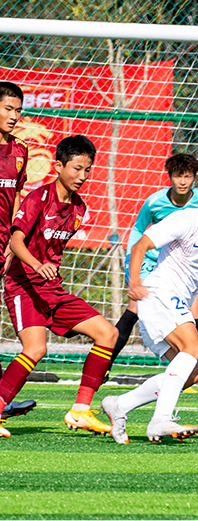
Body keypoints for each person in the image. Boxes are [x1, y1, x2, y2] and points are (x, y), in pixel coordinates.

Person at [101, 170, 198, 444]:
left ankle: (120, 405)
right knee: (193, 348)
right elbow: (140, 246)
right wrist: (135, 282)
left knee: (190, 375)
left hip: (176, 304)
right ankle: (160, 420)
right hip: (158, 293)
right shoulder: (188, 219)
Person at [0, 135, 118, 438]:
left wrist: (47, 270)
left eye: (87, 170)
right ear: (58, 166)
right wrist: (37, 265)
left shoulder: (79, 208)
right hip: (24, 285)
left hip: (52, 289)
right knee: (36, 348)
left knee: (108, 333)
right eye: (76, 168)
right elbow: (16, 241)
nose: (82, 176)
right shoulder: (37, 199)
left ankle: (80, 410)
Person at [105, 153, 198, 379]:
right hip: (152, 263)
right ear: (170, 176)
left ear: (195, 178)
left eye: (188, 176)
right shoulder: (154, 202)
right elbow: (138, 230)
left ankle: (189, 370)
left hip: (184, 266)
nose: (182, 182)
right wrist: (131, 262)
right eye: (178, 176)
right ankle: (104, 363)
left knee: (195, 310)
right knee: (134, 309)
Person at [0, 81, 37, 423]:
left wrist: (13, 240)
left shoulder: (21, 151)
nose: (14, 116)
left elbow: (15, 200)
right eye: (8, 109)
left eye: (18, 110)